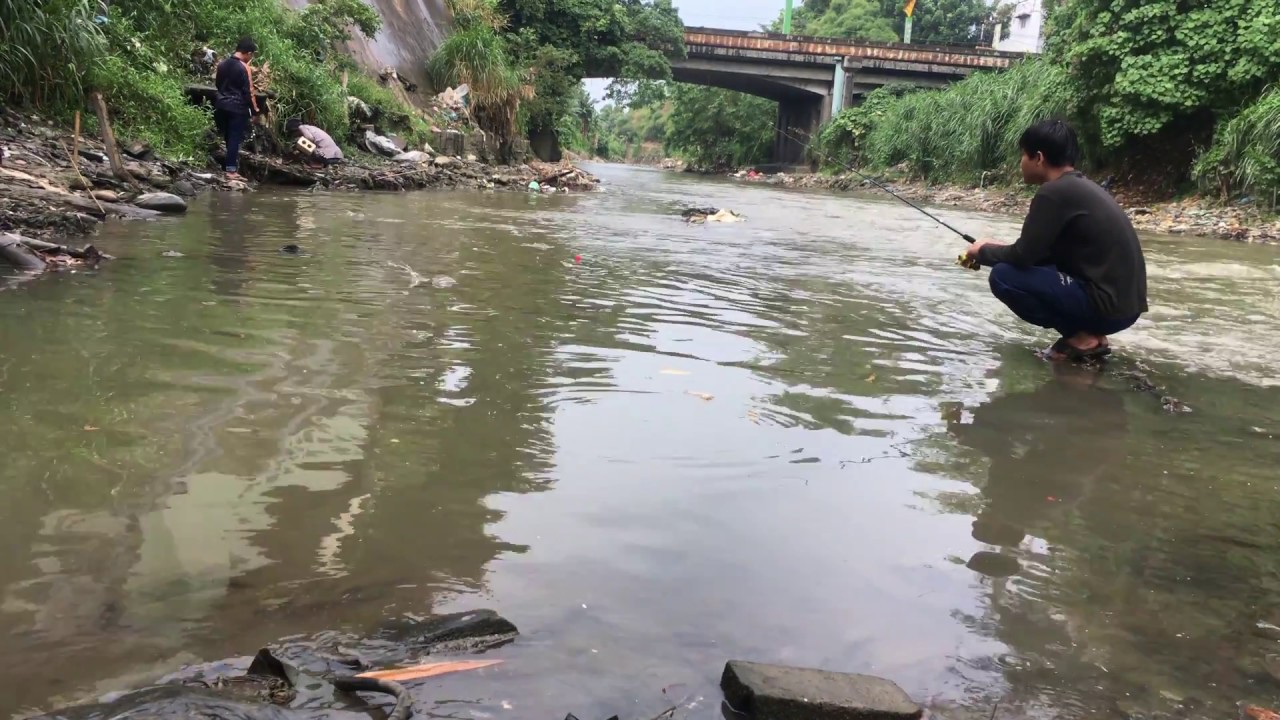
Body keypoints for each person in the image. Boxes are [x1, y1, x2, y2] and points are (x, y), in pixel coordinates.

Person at [965, 120, 1148, 362]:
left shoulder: (1053, 193)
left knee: (1004, 276)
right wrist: (994, 248)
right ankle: (1092, 335)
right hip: (1125, 309)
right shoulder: (1080, 187)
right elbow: (1039, 255)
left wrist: (982, 251)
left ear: (1038, 158)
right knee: (1018, 268)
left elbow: (1022, 257)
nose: (1021, 163)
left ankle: (1080, 337)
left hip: (1108, 309)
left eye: (1023, 155)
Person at [213, 36, 260, 180]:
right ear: (249, 53)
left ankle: (228, 167)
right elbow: (249, 91)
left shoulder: (221, 64)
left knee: (228, 138)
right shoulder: (244, 67)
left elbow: (218, 84)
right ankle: (231, 171)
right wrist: (255, 111)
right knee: (234, 138)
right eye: (251, 55)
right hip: (237, 107)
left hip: (221, 105)